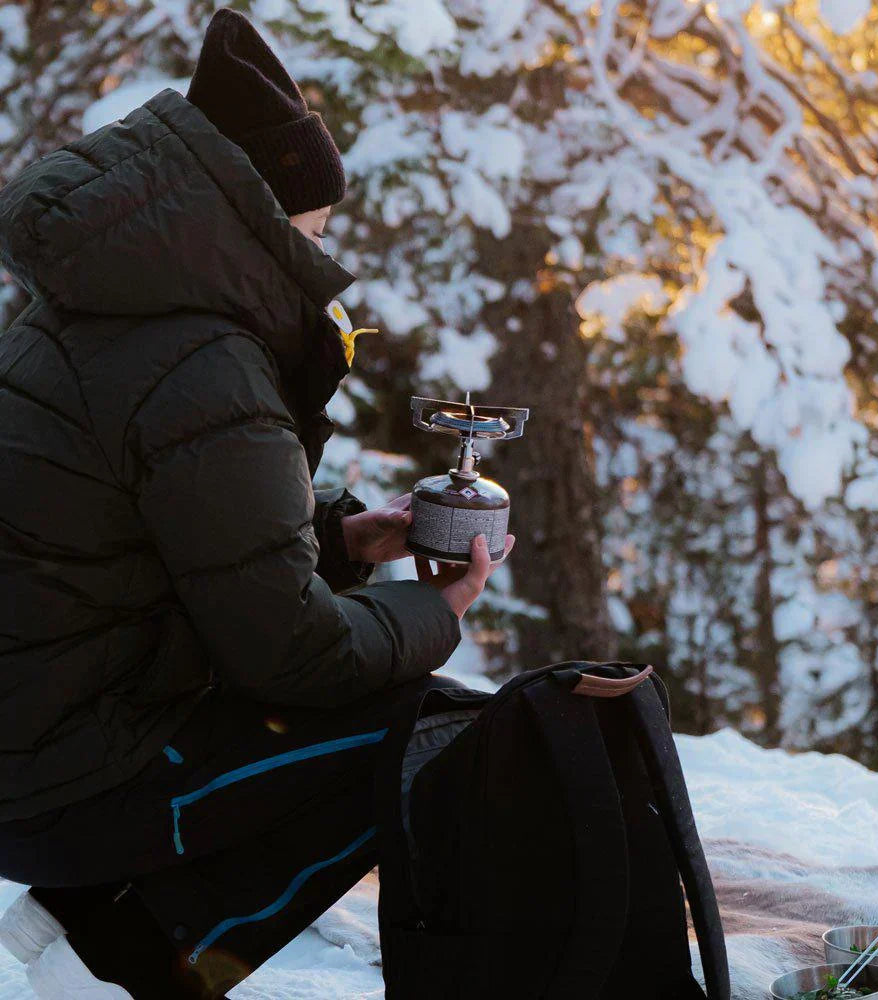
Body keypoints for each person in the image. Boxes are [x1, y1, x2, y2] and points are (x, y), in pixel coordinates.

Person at [0, 8, 514, 998]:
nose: (322, 254)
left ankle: (79, 911)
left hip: (41, 743)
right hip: (62, 780)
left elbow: (159, 546)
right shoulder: (202, 357)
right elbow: (288, 650)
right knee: (420, 725)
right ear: (254, 214)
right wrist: (436, 611)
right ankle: (126, 955)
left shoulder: (100, 305)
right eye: (315, 229)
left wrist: (340, 539)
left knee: (351, 695)